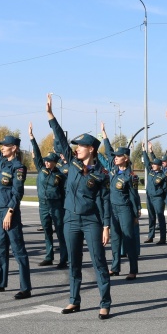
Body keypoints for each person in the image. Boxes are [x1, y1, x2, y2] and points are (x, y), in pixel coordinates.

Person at [47, 93, 112, 318]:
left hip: (91, 221)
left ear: (91, 149)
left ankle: (105, 302)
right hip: (70, 220)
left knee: (98, 262)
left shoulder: (101, 174)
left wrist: (106, 226)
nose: (77, 149)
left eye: (81, 146)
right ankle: (74, 300)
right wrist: (51, 117)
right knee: (74, 263)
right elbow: (62, 142)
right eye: (77, 147)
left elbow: (104, 201)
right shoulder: (73, 164)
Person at [0, 109, 32, 298]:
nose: (1, 147)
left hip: (10, 213)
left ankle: (25, 287)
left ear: (14, 148)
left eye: (5, 145)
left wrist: (10, 211)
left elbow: (18, 191)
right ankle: (1, 282)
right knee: (1, 249)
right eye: (2, 145)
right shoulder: (1, 162)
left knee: (18, 250)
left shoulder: (18, 167)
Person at [102, 124, 140, 279]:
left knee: (129, 239)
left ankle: (133, 270)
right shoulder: (113, 170)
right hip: (112, 209)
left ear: (125, 158)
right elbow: (109, 152)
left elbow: (134, 196)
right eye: (115, 156)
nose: (115, 157)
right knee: (115, 239)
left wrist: (136, 213)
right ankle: (115, 267)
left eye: (118, 156)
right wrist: (105, 136)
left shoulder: (131, 176)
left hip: (125, 209)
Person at [31, 123, 68, 268]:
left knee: (60, 232)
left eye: (49, 161)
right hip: (43, 205)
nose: (46, 163)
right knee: (47, 231)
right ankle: (49, 256)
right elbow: (37, 154)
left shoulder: (60, 175)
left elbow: (64, 192)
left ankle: (63, 258)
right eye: (46, 161)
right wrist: (32, 138)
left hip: (56, 205)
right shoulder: (41, 169)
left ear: (55, 162)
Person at [142, 143, 167, 244]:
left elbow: (165, 188)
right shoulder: (151, 171)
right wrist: (145, 150)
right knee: (151, 217)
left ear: (160, 166)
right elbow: (147, 162)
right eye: (153, 164)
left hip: (158, 198)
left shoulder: (163, 175)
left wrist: (160, 195)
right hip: (149, 197)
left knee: (160, 217)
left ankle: (162, 238)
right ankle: (150, 236)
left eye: (155, 164)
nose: (153, 165)